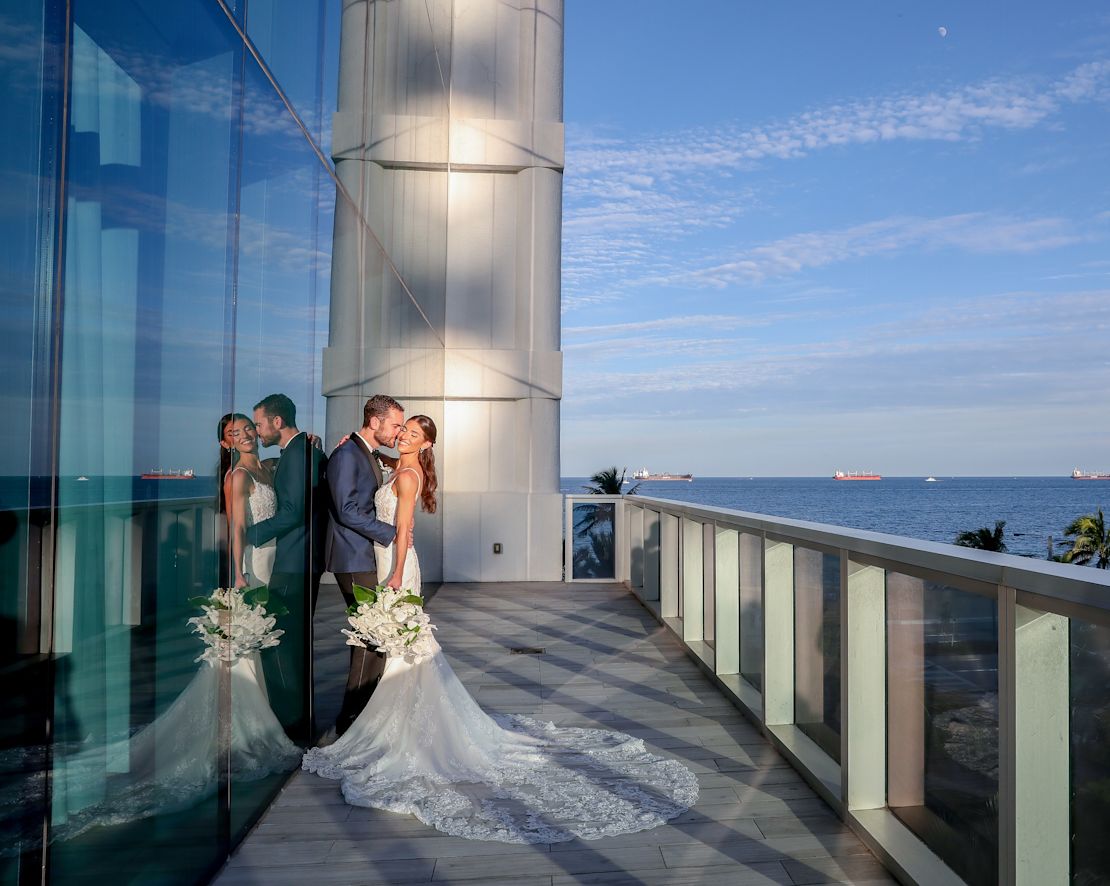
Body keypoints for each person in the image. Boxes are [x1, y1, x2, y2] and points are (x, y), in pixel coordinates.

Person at [303, 416, 698, 844]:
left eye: (413, 433)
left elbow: (401, 530)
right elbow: (377, 480)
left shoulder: (409, 474)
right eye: (402, 430)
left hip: (394, 564)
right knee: (398, 643)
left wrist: (397, 572)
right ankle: (382, 720)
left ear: (427, 445)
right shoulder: (395, 465)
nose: (403, 436)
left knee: (402, 644)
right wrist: (360, 447)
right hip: (384, 558)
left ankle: (402, 729)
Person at [246, 394, 329, 740]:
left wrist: (248, 532)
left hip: (294, 560)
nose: (258, 431)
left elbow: (293, 511)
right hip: (303, 558)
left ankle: (291, 728)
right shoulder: (305, 451)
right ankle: (300, 722)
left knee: (281, 644)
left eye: (260, 424)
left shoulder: (297, 454)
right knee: (294, 643)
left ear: (277, 422)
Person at [325, 394, 406, 736]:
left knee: (373, 634)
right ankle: (350, 722)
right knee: (369, 636)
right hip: (353, 556)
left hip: (362, 554)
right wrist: (392, 532)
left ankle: (363, 715)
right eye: (396, 425)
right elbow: (345, 510)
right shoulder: (346, 455)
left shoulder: (362, 451)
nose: (399, 432)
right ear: (375, 422)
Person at [218, 412, 276, 589]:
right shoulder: (240, 476)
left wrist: (310, 443)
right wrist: (237, 574)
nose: (244, 435)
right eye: (235, 433)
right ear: (227, 443)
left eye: (248, 428)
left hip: (277, 554)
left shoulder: (269, 467)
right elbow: (237, 527)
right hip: (256, 559)